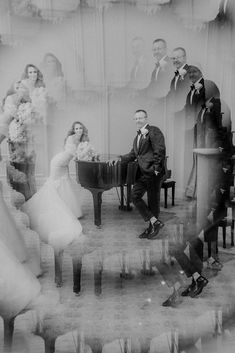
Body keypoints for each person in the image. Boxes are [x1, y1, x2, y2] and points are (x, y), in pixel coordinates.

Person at [22, 121, 88, 252]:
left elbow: (77, 155)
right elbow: (75, 154)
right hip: (58, 163)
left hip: (64, 164)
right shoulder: (72, 138)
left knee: (66, 183)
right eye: (76, 128)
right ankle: (51, 205)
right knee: (54, 185)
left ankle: (69, 208)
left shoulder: (83, 139)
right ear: (73, 130)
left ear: (83, 129)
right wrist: (86, 153)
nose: (79, 130)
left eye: (80, 128)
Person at [118, 109, 166, 239]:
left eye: (140, 118)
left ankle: (152, 229)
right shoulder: (137, 137)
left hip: (153, 172)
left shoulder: (154, 130)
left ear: (146, 118)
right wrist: (119, 159)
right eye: (136, 119)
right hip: (142, 173)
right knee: (135, 196)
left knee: (153, 202)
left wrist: (156, 169)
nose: (138, 120)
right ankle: (154, 223)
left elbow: (160, 150)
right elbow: (133, 154)